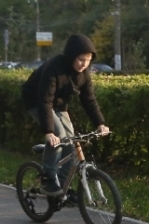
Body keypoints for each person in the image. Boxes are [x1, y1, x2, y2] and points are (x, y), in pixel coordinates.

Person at [21, 34, 110, 197]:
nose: (84, 64)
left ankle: (62, 189)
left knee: (71, 142)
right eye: (81, 59)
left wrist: (100, 123)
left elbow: (89, 99)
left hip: (59, 105)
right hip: (36, 101)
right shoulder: (54, 68)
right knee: (59, 135)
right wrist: (48, 132)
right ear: (71, 56)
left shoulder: (83, 74)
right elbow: (45, 100)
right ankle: (48, 178)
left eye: (88, 60)